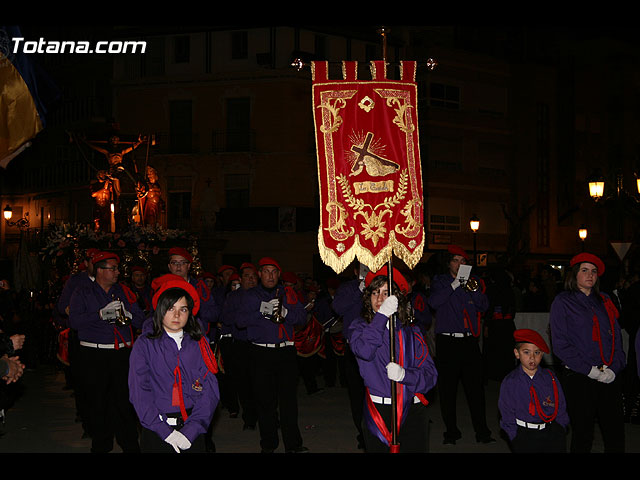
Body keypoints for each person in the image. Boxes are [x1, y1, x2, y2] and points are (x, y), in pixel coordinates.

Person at [349, 266, 437, 453]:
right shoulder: (359, 328)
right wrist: (381, 317)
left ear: (397, 298)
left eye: (387, 293)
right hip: (379, 411)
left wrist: (406, 375)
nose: (380, 299)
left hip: (411, 410)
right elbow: (364, 351)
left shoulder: (411, 332)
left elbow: (430, 376)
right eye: (375, 292)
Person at [128, 277, 220, 453]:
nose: (177, 315)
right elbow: (139, 392)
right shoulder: (145, 344)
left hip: (192, 428)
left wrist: (191, 430)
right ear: (160, 310)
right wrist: (165, 432)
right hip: (157, 428)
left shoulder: (199, 343)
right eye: (170, 308)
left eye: (183, 309)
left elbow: (210, 389)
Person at [68, 251, 146, 453]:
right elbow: (74, 322)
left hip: (121, 354)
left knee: (124, 402)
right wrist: (100, 315)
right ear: (100, 270)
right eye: (113, 269)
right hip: (94, 355)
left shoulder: (125, 292)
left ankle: (129, 444)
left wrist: (129, 315)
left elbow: (141, 321)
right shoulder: (83, 292)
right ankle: (101, 445)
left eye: (117, 268)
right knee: (97, 402)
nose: (118, 272)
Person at [549, 252, 626, 453]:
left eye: (593, 271)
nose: (590, 275)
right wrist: (589, 370)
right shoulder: (563, 301)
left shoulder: (605, 300)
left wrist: (615, 369)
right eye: (584, 270)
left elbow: (617, 338)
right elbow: (560, 344)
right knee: (583, 433)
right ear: (574, 274)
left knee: (615, 432)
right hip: (580, 375)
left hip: (608, 374)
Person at [237, 257, 308, 453]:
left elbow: (302, 318)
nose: (270, 275)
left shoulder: (289, 293)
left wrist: (286, 313)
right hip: (260, 352)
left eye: (274, 272)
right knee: (265, 402)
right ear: (259, 274)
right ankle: (268, 444)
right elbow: (240, 321)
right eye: (266, 271)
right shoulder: (250, 295)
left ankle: (293, 444)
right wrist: (261, 310)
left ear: (279, 274)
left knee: (289, 402)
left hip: (285, 351)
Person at [426, 245, 494, 445]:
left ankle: (482, 432)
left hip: (469, 341)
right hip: (447, 342)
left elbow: (484, 305)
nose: (459, 264)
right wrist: (455, 285)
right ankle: (451, 432)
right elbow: (434, 302)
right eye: (455, 260)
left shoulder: (474, 282)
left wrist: (470, 288)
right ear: (449, 263)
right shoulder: (440, 281)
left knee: (476, 390)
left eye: (463, 261)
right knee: (448, 390)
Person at [498, 328, 569, 453]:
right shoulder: (510, 381)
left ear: (542, 354)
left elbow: (561, 404)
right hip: (524, 434)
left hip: (551, 431)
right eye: (526, 352)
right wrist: (514, 436)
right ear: (517, 353)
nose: (532, 357)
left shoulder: (550, 378)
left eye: (537, 353)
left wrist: (560, 428)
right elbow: (506, 411)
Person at [223, 262, 259, 430]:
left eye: (253, 277)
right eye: (247, 276)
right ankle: (250, 418)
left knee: (262, 384)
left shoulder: (263, 294)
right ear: (240, 278)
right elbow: (227, 318)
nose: (251, 280)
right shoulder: (233, 297)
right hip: (241, 344)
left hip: (259, 344)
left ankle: (269, 417)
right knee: (244, 383)